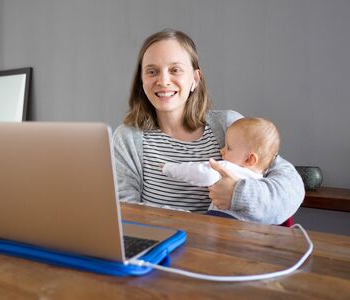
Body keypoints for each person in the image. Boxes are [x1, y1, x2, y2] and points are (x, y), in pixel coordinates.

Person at [113, 28, 304, 225]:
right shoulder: (128, 138)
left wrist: (237, 195)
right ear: (142, 81)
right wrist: (194, 224)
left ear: (195, 79)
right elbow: (126, 210)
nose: (163, 81)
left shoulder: (229, 126)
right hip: (161, 248)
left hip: (228, 249)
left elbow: (292, 189)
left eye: (175, 70)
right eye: (152, 71)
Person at [162, 117, 280, 221]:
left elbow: (202, 173)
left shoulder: (227, 168)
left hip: (222, 222)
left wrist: (169, 168)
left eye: (228, 147)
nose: (221, 150)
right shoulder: (262, 181)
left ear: (249, 159)